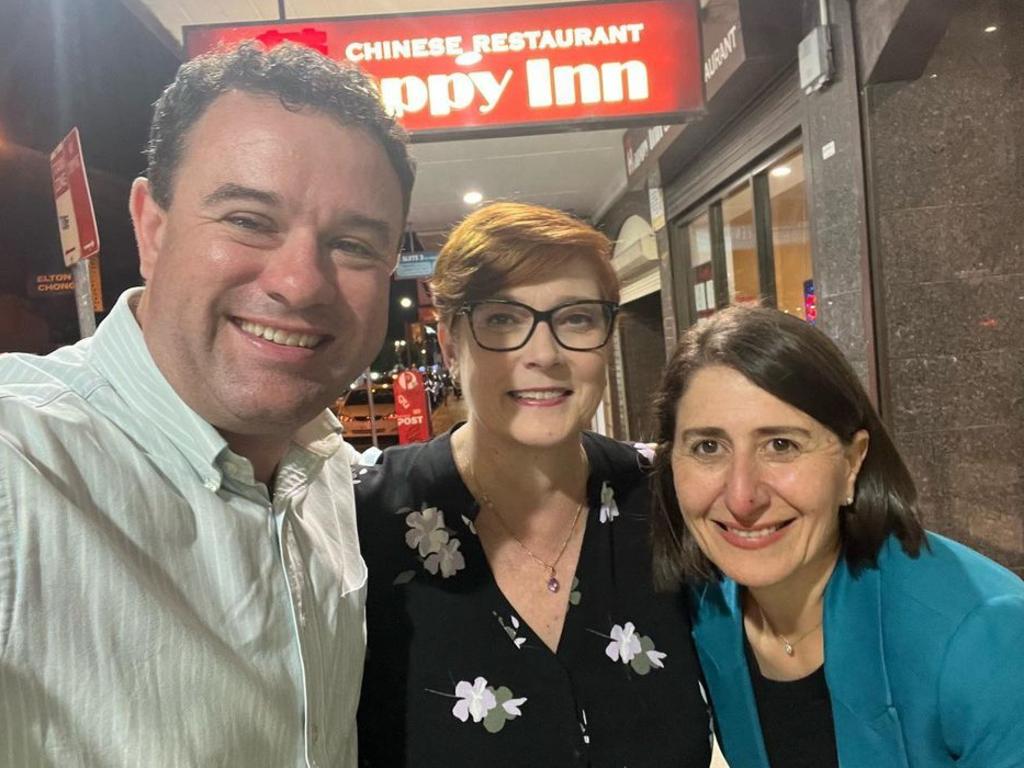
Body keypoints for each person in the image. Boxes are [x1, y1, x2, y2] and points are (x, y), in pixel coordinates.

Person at [0, 41, 414, 766]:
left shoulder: (330, 483)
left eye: (352, 244)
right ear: (151, 229)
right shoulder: (18, 466)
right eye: (250, 220)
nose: (301, 283)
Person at [354, 202, 712, 767]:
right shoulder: (360, 527)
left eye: (576, 319)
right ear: (450, 343)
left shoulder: (670, 500)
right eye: (502, 319)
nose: (543, 354)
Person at [649, 305, 1024, 768]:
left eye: (781, 445)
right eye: (708, 447)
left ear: (852, 462)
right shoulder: (710, 607)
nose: (742, 496)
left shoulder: (987, 636)